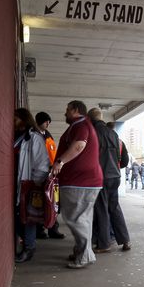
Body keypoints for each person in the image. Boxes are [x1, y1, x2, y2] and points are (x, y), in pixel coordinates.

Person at [51, 100, 103, 269]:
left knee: (74, 219)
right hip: (87, 181)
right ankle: (83, 252)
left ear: (75, 110)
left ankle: (84, 255)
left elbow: (79, 146)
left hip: (80, 181)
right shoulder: (83, 125)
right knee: (83, 219)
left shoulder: (80, 125)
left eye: (67, 110)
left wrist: (60, 161)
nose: (65, 113)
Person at [88, 108, 132, 253]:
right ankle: (125, 240)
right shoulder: (114, 134)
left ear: (90, 118)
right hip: (115, 176)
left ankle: (104, 244)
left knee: (101, 209)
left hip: (101, 176)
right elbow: (123, 160)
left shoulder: (92, 133)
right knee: (115, 208)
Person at [13, 108, 50, 263]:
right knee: (21, 216)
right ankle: (28, 244)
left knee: (28, 217)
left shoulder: (34, 138)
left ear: (23, 119)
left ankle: (29, 248)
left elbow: (42, 164)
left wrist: (34, 183)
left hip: (29, 183)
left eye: (15, 119)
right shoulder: (19, 137)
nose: (13, 122)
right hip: (19, 183)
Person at [34, 111, 65, 240]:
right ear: (40, 121)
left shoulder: (48, 135)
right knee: (38, 203)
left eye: (49, 122)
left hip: (51, 173)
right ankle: (39, 230)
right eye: (46, 121)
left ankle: (53, 229)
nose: (48, 124)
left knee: (54, 202)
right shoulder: (33, 135)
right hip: (38, 174)